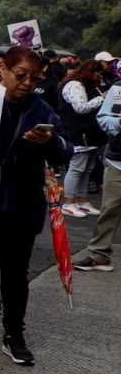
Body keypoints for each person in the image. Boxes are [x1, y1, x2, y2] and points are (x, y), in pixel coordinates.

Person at [0, 46, 73, 366]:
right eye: (20, 76)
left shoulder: (41, 109)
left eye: (34, 79)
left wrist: (50, 142)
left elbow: (66, 151)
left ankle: (14, 335)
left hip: (24, 208)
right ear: (3, 71)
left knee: (16, 275)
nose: (26, 84)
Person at [73, 73, 121, 271]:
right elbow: (103, 119)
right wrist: (118, 123)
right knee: (110, 209)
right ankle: (98, 254)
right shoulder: (118, 89)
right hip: (118, 162)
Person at [57, 59, 107, 218]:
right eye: (97, 75)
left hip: (90, 134)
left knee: (87, 169)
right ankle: (69, 202)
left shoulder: (88, 86)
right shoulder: (75, 85)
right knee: (77, 168)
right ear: (89, 72)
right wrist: (102, 98)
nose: (99, 78)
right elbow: (80, 108)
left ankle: (82, 200)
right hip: (79, 133)